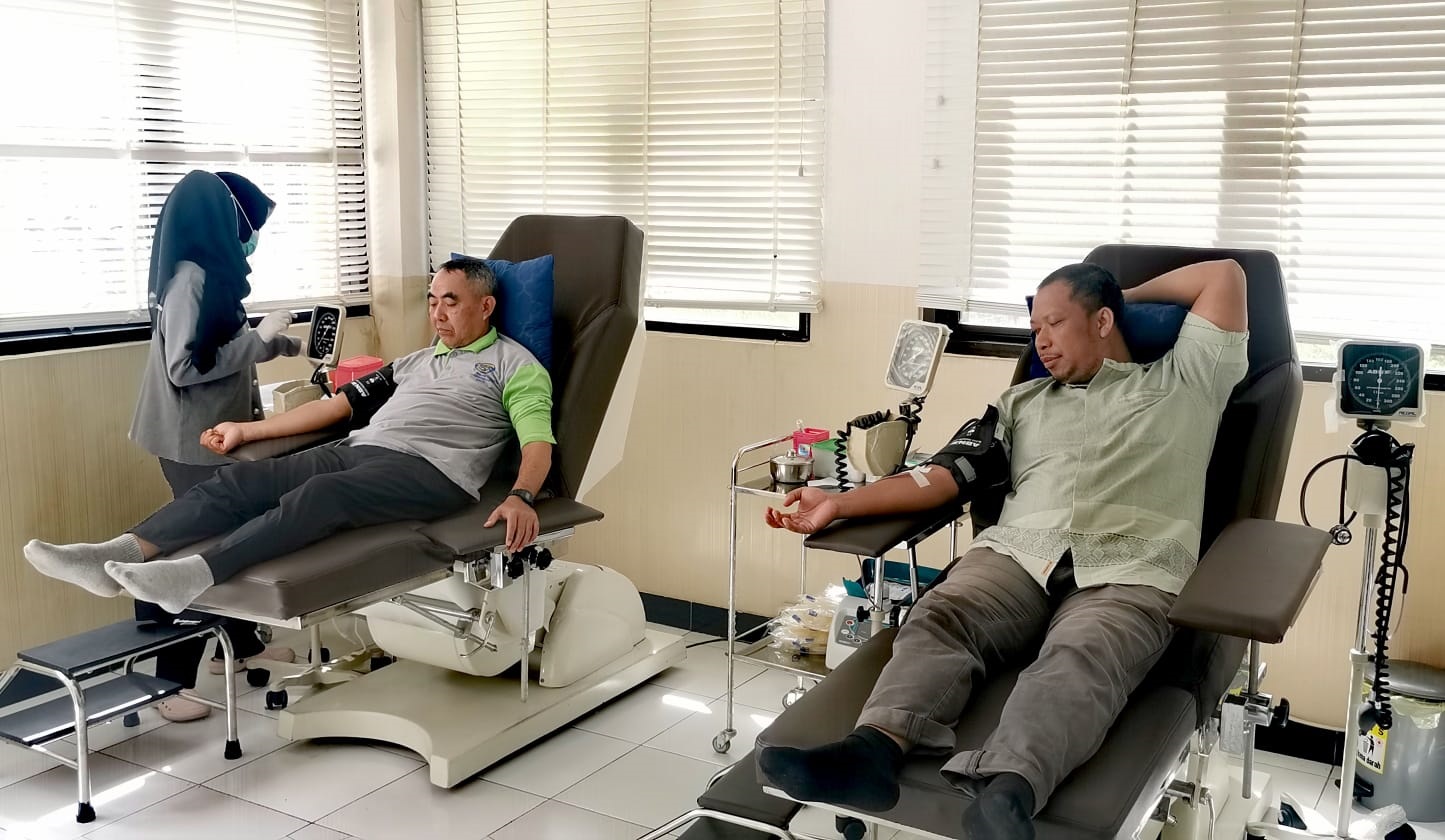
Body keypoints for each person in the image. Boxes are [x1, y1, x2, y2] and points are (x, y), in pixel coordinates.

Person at [759, 260, 1250, 839]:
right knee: (942, 613)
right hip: (1018, 555)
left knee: (1082, 652)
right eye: (1034, 327)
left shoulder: (1185, 381)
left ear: (1102, 321)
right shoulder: (1022, 402)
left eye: (1055, 323)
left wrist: (1126, 297)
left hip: (1132, 566)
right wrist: (839, 503)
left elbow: (1225, 276)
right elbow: (942, 476)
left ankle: (1008, 793)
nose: (1040, 340)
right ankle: (871, 753)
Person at [25, 257, 554, 625]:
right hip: (361, 450)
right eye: (432, 301)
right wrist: (246, 430)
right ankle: (116, 554)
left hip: (432, 473)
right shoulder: (415, 361)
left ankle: (195, 574)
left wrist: (522, 495)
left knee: (322, 497)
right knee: (241, 481)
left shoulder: (515, 366)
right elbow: (337, 406)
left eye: (451, 303)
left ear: (486, 306)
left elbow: (537, 443)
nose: (437, 314)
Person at [128, 170, 300, 722]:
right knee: (196, 550)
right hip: (190, 441)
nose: (252, 240)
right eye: (249, 227)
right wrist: (259, 340)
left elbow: (220, 344)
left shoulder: (208, 274)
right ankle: (167, 684)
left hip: (211, 435)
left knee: (233, 536)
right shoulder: (190, 280)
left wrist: (278, 344)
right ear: (225, 224)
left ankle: (239, 647)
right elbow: (184, 368)